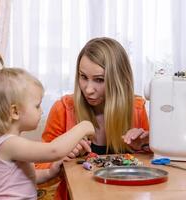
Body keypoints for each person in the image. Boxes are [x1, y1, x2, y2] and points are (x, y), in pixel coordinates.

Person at [36, 37, 150, 200]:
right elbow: (39, 170)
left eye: (99, 80)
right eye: (83, 77)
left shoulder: (136, 110)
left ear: (118, 80)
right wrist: (61, 160)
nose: (88, 89)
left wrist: (144, 146)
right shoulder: (63, 109)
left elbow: (151, 167)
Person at [0, 50, 95, 199]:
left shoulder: (9, 143)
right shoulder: (9, 144)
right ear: (15, 111)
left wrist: (49, 173)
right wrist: (83, 126)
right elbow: (54, 151)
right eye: (37, 105)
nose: (41, 111)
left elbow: (25, 180)